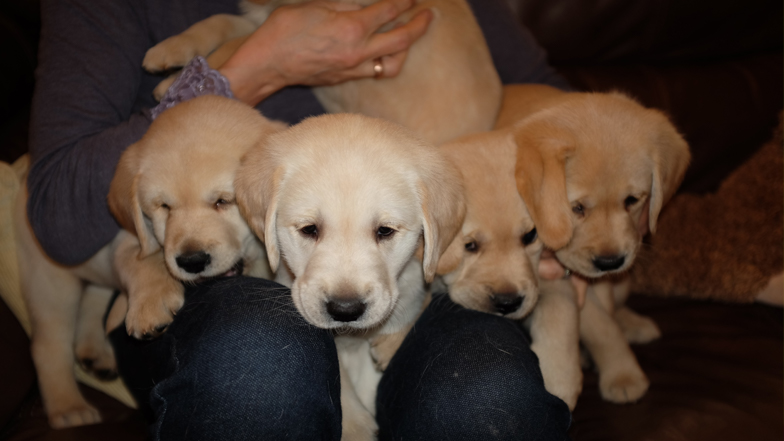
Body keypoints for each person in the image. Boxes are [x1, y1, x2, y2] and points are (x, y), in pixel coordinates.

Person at [29, 0, 576, 439]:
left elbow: (550, 104)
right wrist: (255, 67)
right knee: (260, 359)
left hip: (427, 273)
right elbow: (56, 211)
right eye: (306, 229)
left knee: (495, 399)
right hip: (222, 287)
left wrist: (554, 215)